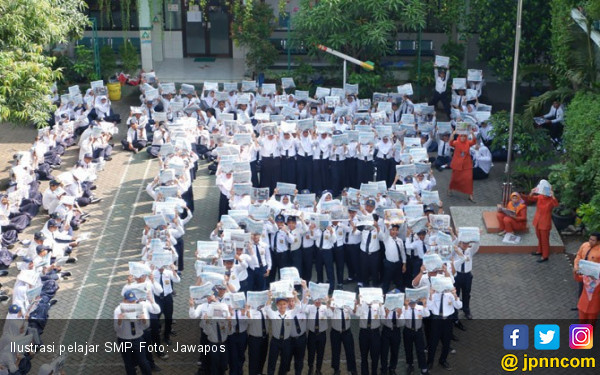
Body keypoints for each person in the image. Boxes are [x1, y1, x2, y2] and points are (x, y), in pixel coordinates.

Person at [529, 180, 559, 263]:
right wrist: (531, 192)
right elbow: (530, 198)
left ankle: (545, 255)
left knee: (544, 240)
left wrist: (553, 196)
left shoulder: (550, 200)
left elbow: (556, 205)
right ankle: (539, 251)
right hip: (538, 221)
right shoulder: (540, 197)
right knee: (539, 237)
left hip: (545, 222)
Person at [402, 296, 430, 375]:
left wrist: (424, 304)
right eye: (409, 300)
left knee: (420, 350)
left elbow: (427, 314)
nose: (411, 302)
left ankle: (423, 368)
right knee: (408, 349)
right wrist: (406, 306)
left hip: (418, 331)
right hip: (408, 331)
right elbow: (405, 318)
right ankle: (410, 365)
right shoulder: (404, 308)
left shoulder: (420, 307)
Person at [453, 240, 479, 320]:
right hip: (457, 275)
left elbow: (477, 245)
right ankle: (455, 313)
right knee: (455, 294)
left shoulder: (470, 251)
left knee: (466, 294)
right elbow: (452, 244)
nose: (465, 245)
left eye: (467, 243)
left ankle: (466, 310)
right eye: (463, 243)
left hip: (467, 275)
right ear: (460, 243)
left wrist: (477, 236)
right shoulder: (455, 251)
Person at [448, 130, 476, 202]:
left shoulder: (468, 143)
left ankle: (470, 195)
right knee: (454, 178)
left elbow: (474, 141)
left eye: (464, 136)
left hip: (467, 164)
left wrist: (472, 133)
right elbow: (450, 143)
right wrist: (453, 134)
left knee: (469, 179)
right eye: (462, 136)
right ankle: (450, 189)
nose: (463, 138)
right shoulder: (456, 143)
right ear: (459, 137)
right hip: (457, 164)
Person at [573, 233, 600, 308]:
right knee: (581, 288)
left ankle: (591, 308)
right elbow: (579, 255)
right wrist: (576, 266)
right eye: (590, 239)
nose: (590, 241)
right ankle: (580, 305)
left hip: (593, 277)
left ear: (598, 242)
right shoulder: (584, 245)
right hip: (582, 273)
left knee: (592, 292)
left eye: (593, 240)